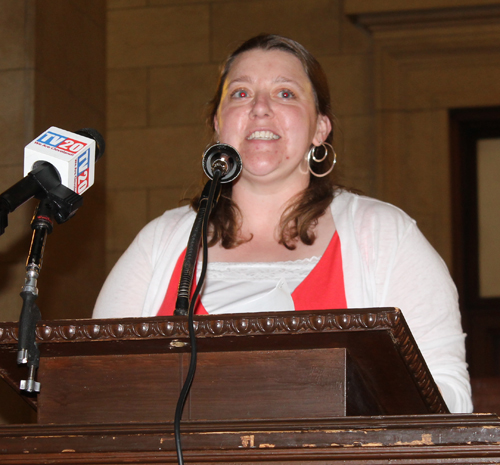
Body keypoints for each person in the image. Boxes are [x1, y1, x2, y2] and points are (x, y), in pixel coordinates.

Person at [93, 34, 473, 413]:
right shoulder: (160, 242)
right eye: (240, 94)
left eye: (286, 94)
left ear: (320, 128)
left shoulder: (385, 236)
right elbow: (92, 385)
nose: (259, 107)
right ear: (218, 123)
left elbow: (447, 400)